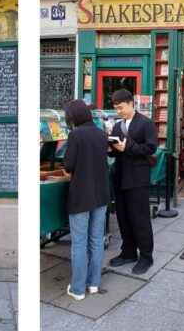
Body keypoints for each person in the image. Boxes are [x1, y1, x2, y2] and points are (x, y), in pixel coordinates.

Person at [62, 100, 110, 301]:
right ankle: (93, 284)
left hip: (81, 195)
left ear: (74, 117)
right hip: (101, 194)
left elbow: (68, 165)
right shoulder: (101, 134)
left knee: (79, 242)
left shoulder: (75, 135)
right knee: (96, 240)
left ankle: (78, 289)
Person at [107, 89, 158, 275]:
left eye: (120, 107)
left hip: (138, 178)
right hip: (120, 177)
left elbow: (152, 147)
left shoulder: (145, 123)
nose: (118, 111)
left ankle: (146, 256)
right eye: (116, 108)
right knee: (123, 218)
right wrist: (110, 149)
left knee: (140, 219)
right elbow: (115, 151)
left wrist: (126, 148)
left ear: (131, 103)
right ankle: (128, 252)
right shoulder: (117, 126)